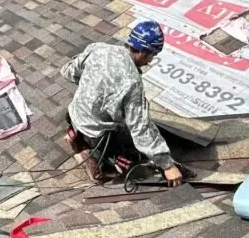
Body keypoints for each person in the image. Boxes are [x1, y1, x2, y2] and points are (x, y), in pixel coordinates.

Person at [61, 20, 184, 186]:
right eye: (152, 55)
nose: (150, 61)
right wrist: (167, 165)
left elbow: (68, 72)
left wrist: (95, 86)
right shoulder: (132, 82)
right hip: (96, 135)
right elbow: (140, 128)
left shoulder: (99, 49)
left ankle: (75, 136)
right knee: (130, 157)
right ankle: (95, 159)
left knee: (111, 119)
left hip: (74, 115)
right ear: (142, 52)